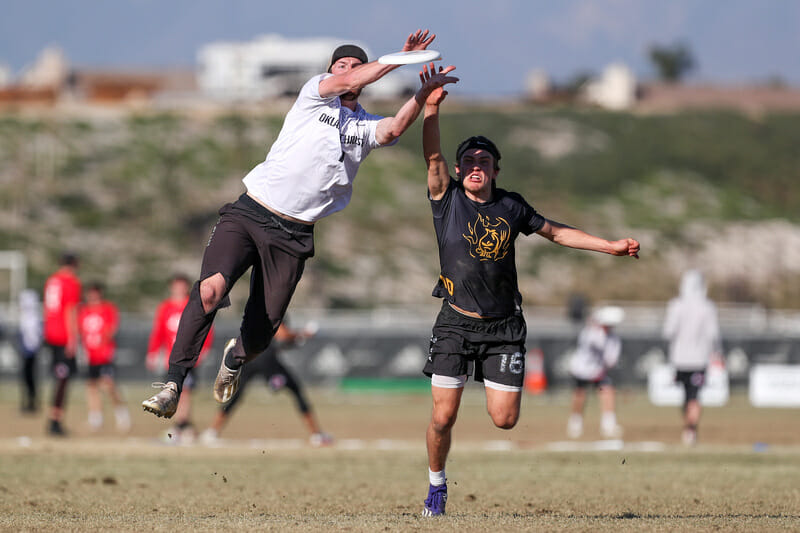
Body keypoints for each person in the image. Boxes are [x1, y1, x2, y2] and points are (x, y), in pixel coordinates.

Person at [142, 29, 458, 419]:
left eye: (356, 65)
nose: (349, 72)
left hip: (293, 235)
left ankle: (236, 356)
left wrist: (421, 96)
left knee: (261, 335)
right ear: (329, 73)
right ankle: (173, 383)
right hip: (250, 212)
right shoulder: (314, 95)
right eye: (341, 65)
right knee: (210, 291)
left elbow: (392, 129)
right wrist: (398, 58)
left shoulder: (362, 126)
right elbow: (347, 80)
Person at [418, 63, 641, 517]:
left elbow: (557, 233)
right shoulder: (448, 199)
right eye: (469, 161)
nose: (475, 166)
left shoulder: (512, 206)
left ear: (496, 169)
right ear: (460, 170)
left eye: (484, 160)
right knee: (443, 417)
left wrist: (610, 247)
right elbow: (433, 159)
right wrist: (430, 109)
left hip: (504, 327)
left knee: (505, 419)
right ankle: (436, 487)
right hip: (456, 323)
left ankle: (485, 389)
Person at [200, 321, 332, 447]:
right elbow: (282, 335)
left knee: (235, 396)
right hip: (265, 358)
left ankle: (212, 431)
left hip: (249, 355)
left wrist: (296, 339)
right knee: (295, 390)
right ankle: (316, 434)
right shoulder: (275, 306)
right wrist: (304, 334)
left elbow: (279, 340)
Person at [145, 274, 214, 443]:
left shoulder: (192, 306)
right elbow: (158, 332)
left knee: (185, 393)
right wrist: (153, 352)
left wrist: (204, 349)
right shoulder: (165, 307)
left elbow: (205, 329)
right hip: (171, 358)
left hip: (188, 356)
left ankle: (179, 426)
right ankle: (185, 427)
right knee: (173, 393)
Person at [662, 269, 722, 446]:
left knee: (687, 396)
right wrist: (717, 352)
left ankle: (689, 429)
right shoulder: (707, 307)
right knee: (693, 396)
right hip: (699, 359)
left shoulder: (676, 305)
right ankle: (691, 430)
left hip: (679, 358)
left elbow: (668, 331)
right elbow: (714, 334)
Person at [78, 282, 130, 433]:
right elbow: (81, 331)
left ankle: (122, 415)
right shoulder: (84, 311)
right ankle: (95, 418)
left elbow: (112, 329)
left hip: (104, 354)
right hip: (90, 355)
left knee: (109, 386)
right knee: (91, 386)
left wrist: (103, 341)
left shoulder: (108, 308)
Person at [566, 305, 625, 439]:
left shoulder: (614, 339)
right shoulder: (590, 332)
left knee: (608, 392)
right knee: (580, 395)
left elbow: (611, 360)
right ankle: (575, 423)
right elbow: (590, 343)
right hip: (582, 370)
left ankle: (608, 424)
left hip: (599, 372)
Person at [43, 252, 82, 436]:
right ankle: (55, 420)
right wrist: (72, 338)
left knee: (60, 377)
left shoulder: (52, 280)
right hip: (62, 336)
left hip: (51, 334)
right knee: (63, 378)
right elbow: (70, 310)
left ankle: (55, 418)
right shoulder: (71, 282)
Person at [17, 289, 43, 413]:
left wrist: (31, 348)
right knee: (25, 377)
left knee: (30, 377)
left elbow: (35, 337)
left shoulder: (33, 317)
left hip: (30, 352)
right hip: (26, 351)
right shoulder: (26, 317)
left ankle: (32, 402)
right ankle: (28, 401)